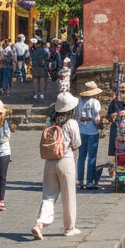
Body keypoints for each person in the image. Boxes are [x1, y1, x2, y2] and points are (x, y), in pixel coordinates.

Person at [32, 92, 82, 239]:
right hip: (65, 160)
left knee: (48, 195)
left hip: (49, 161)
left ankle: (39, 224)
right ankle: (69, 227)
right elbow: (77, 143)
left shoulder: (50, 121)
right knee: (68, 195)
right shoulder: (71, 123)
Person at [76, 81, 104, 190]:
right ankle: (90, 181)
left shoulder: (78, 101)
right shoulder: (94, 102)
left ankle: (80, 179)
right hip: (92, 130)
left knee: (81, 156)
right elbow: (96, 118)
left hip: (81, 129)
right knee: (92, 156)